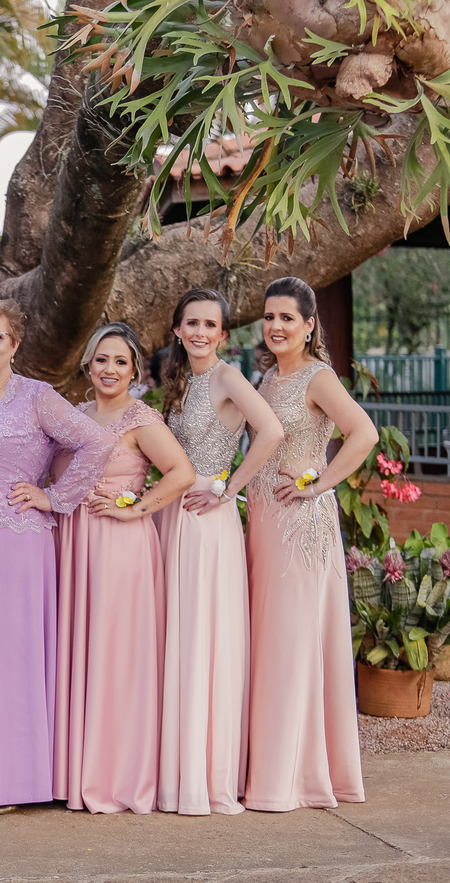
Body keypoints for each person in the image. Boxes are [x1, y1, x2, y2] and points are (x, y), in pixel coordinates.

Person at [0, 297, 113, 811]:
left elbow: (97, 443)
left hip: (14, 542)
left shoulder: (37, 396)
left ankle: (13, 780)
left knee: (10, 655)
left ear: (14, 345)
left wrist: (55, 497)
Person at [244, 277, 375, 811]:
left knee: (293, 642)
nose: (276, 326)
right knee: (269, 639)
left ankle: (290, 779)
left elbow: (364, 434)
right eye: (269, 317)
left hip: (299, 524)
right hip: (263, 523)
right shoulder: (266, 377)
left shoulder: (318, 377)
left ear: (309, 325)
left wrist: (318, 484)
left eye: (287, 318)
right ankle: (268, 767)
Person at [53, 323, 195, 815]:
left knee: (117, 655)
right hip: (76, 544)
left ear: (135, 370)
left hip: (120, 547)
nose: (109, 369)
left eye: (120, 361)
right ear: (88, 364)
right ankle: (78, 772)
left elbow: (181, 473)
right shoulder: (75, 415)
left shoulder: (141, 418)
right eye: (101, 359)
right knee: (83, 650)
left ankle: (118, 776)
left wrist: (135, 507)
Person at [157, 288, 282, 816]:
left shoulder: (228, 377)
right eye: (193, 323)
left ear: (224, 335)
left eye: (211, 325)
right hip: (171, 514)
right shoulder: (180, 380)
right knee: (176, 636)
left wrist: (228, 489)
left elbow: (271, 431)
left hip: (207, 517)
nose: (201, 332)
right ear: (178, 330)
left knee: (203, 637)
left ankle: (205, 776)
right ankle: (173, 769)